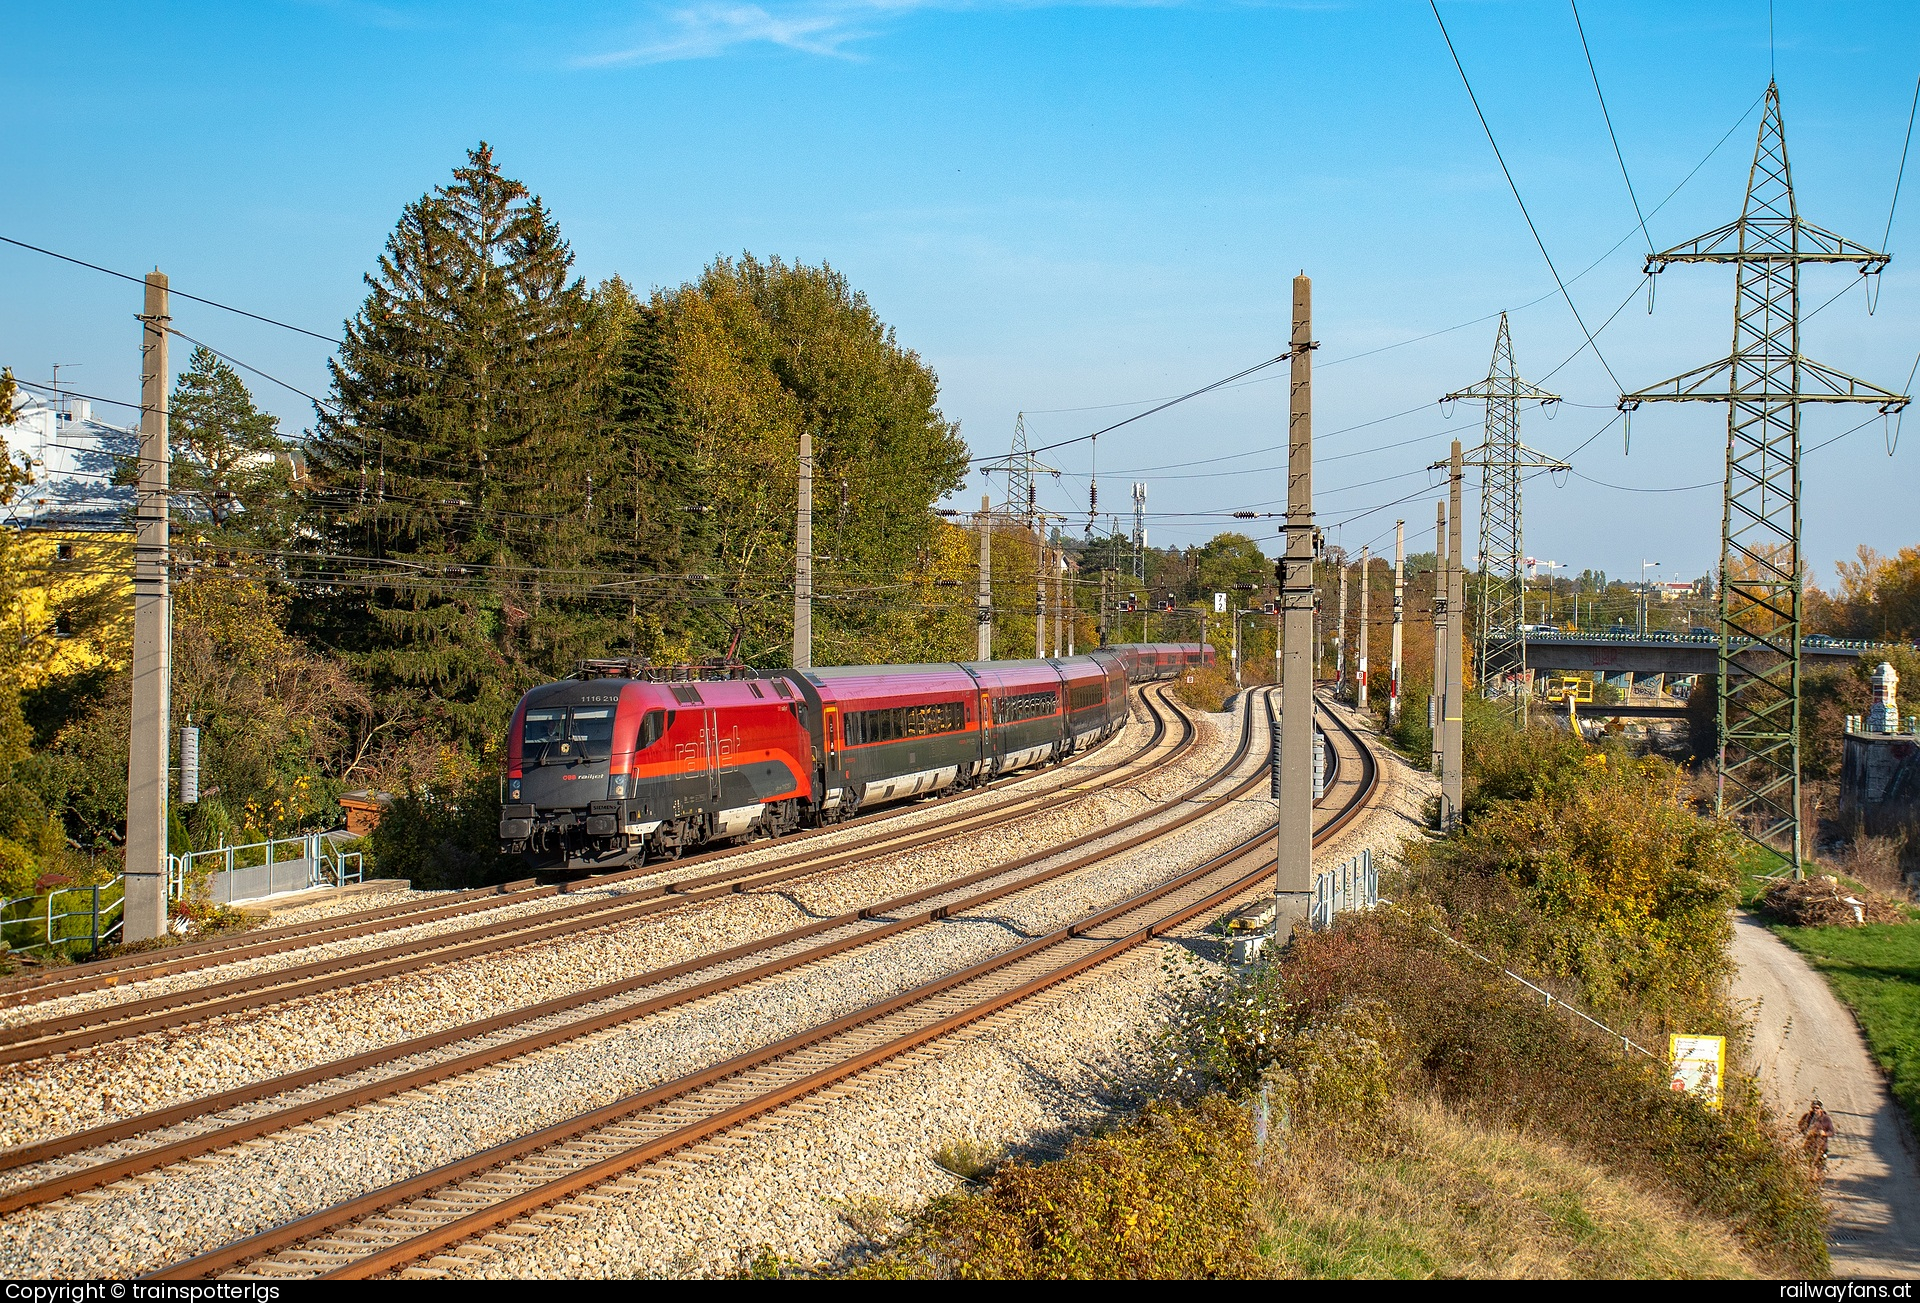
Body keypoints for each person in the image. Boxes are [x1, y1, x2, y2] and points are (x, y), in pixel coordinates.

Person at [1799, 1099, 1835, 1176]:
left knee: (1820, 1166)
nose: (1815, 1110)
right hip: (1810, 1146)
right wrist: (1805, 1132)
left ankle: (1818, 1182)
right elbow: (1800, 1125)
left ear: (1821, 1109)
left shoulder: (1826, 1119)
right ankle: (1810, 1181)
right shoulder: (1807, 1117)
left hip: (1822, 1147)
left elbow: (1832, 1132)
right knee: (1810, 1164)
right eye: (1813, 1108)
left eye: (1817, 1108)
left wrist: (1824, 1133)